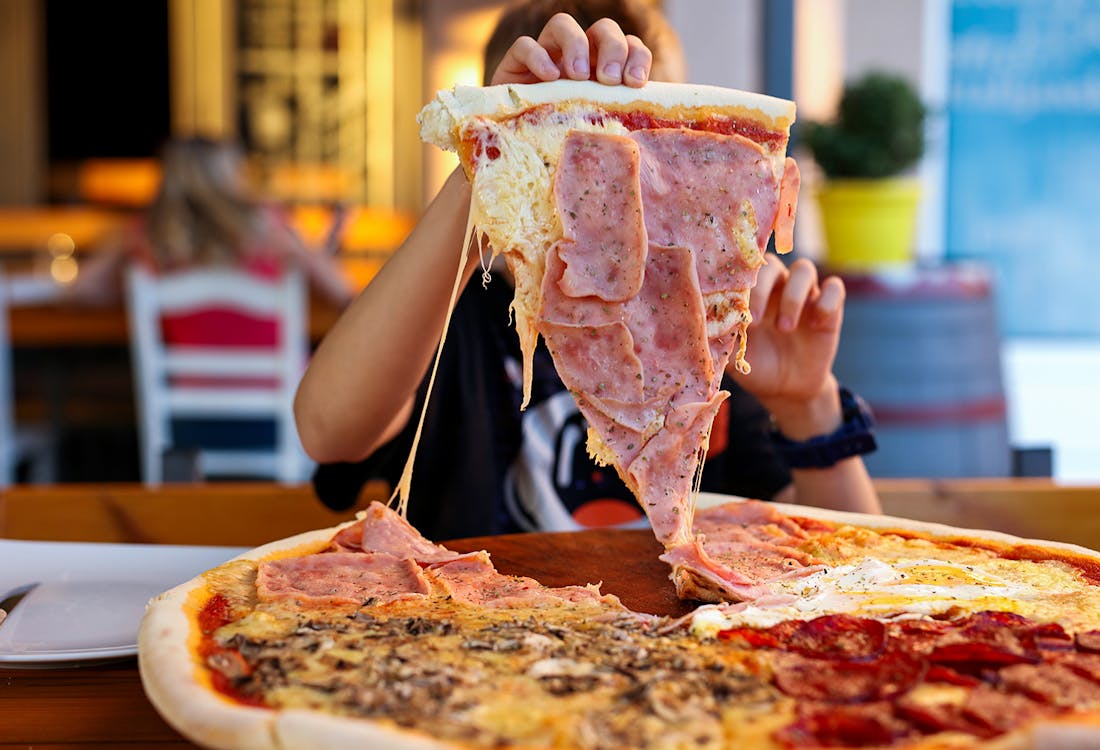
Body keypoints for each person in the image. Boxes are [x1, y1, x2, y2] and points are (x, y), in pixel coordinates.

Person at [295, 0, 881, 540]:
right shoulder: (450, 317)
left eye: (659, 156)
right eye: (567, 156)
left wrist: (807, 403)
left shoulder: (707, 335)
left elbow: (854, 573)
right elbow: (328, 430)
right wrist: (485, 160)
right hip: (472, 639)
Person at [65, 136, 354, 309]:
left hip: (183, 400)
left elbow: (81, 290)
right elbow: (342, 292)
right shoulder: (268, 226)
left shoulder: (147, 234)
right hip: (279, 398)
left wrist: (129, 286)